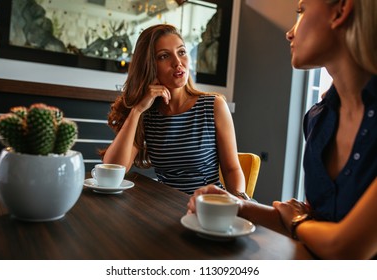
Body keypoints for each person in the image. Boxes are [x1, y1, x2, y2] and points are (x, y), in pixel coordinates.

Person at [188, 0, 377, 259]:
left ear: (341, 10)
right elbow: (315, 228)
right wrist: (237, 205)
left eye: (301, 12)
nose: (289, 32)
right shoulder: (318, 119)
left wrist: (297, 222)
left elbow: (343, 248)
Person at [102, 24, 245, 196]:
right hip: (167, 209)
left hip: (207, 208)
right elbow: (113, 170)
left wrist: (238, 204)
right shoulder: (148, 113)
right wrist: (137, 110)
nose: (178, 62)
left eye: (182, 52)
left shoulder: (213, 106)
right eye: (164, 56)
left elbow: (231, 169)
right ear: (149, 66)